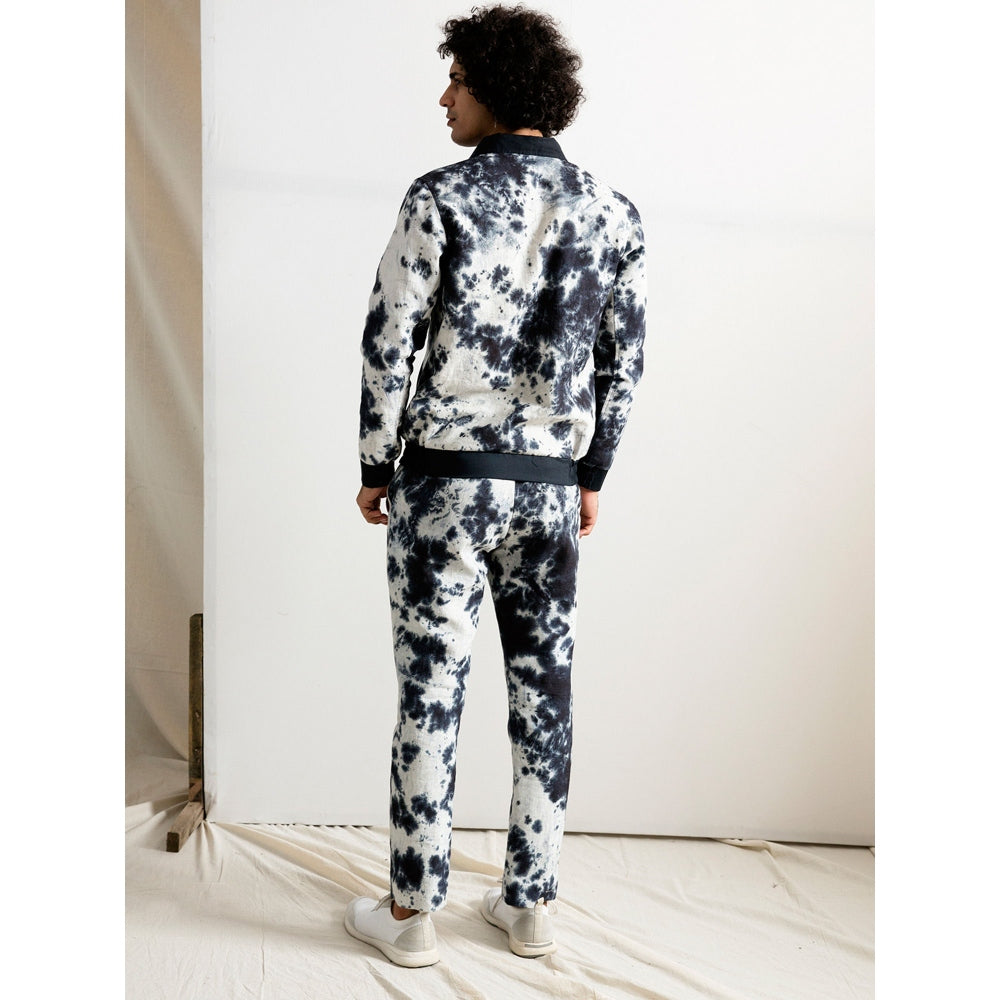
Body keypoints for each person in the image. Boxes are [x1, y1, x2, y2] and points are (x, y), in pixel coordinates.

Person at [344, 3, 646, 968]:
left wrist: (375, 464)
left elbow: (390, 340)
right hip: (549, 491)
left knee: (431, 694)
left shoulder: (441, 197)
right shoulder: (612, 211)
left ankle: (412, 914)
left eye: (457, 82)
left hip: (446, 486)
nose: (445, 99)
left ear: (494, 88)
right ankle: (530, 904)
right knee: (544, 693)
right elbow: (625, 364)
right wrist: (590, 474)